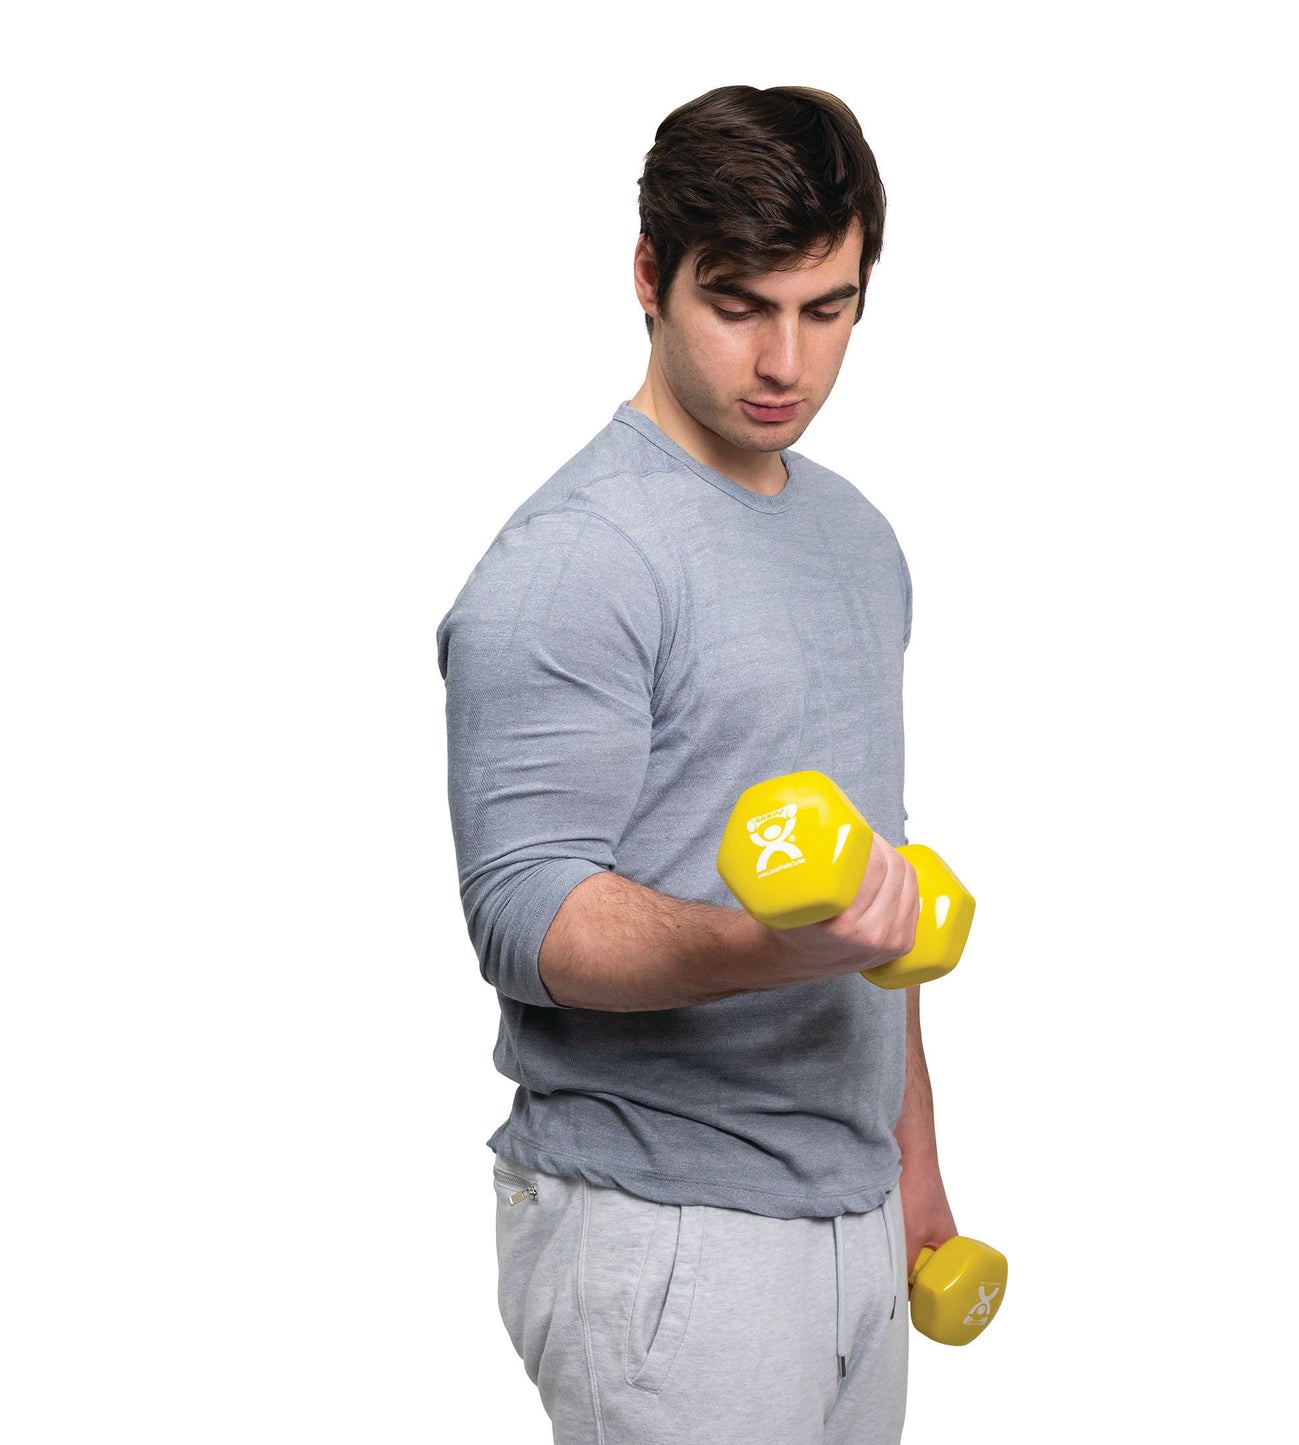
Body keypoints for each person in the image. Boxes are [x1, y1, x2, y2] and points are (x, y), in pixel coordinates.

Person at [438, 85, 957, 1443]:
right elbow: (524, 916)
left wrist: (912, 1166)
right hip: (665, 1227)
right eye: (739, 305)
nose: (785, 360)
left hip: (851, 1211)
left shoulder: (857, 541)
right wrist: (763, 947)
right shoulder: (576, 557)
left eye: (828, 309)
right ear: (647, 276)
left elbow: (876, 889)